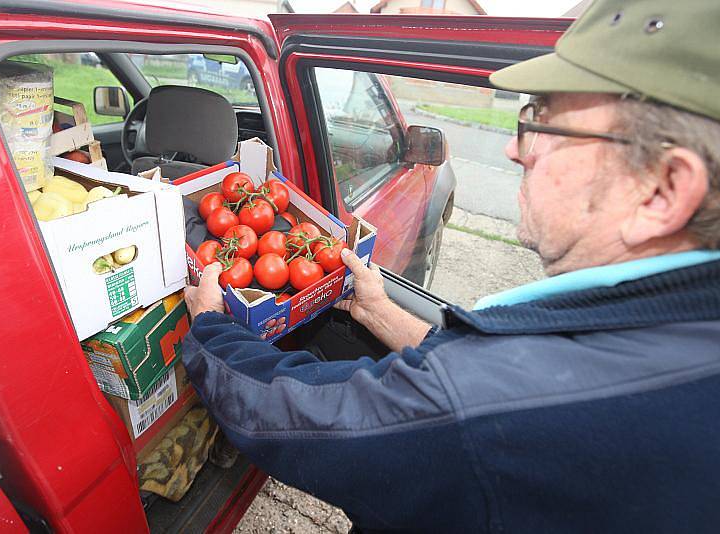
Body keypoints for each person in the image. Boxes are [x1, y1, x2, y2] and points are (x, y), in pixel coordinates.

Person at [183, 0, 720, 531]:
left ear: (662, 189)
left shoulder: (510, 398)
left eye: (546, 124)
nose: (515, 148)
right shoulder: (675, 331)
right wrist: (381, 314)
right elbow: (475, 372)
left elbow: (302, 420)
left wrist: (210, 329)